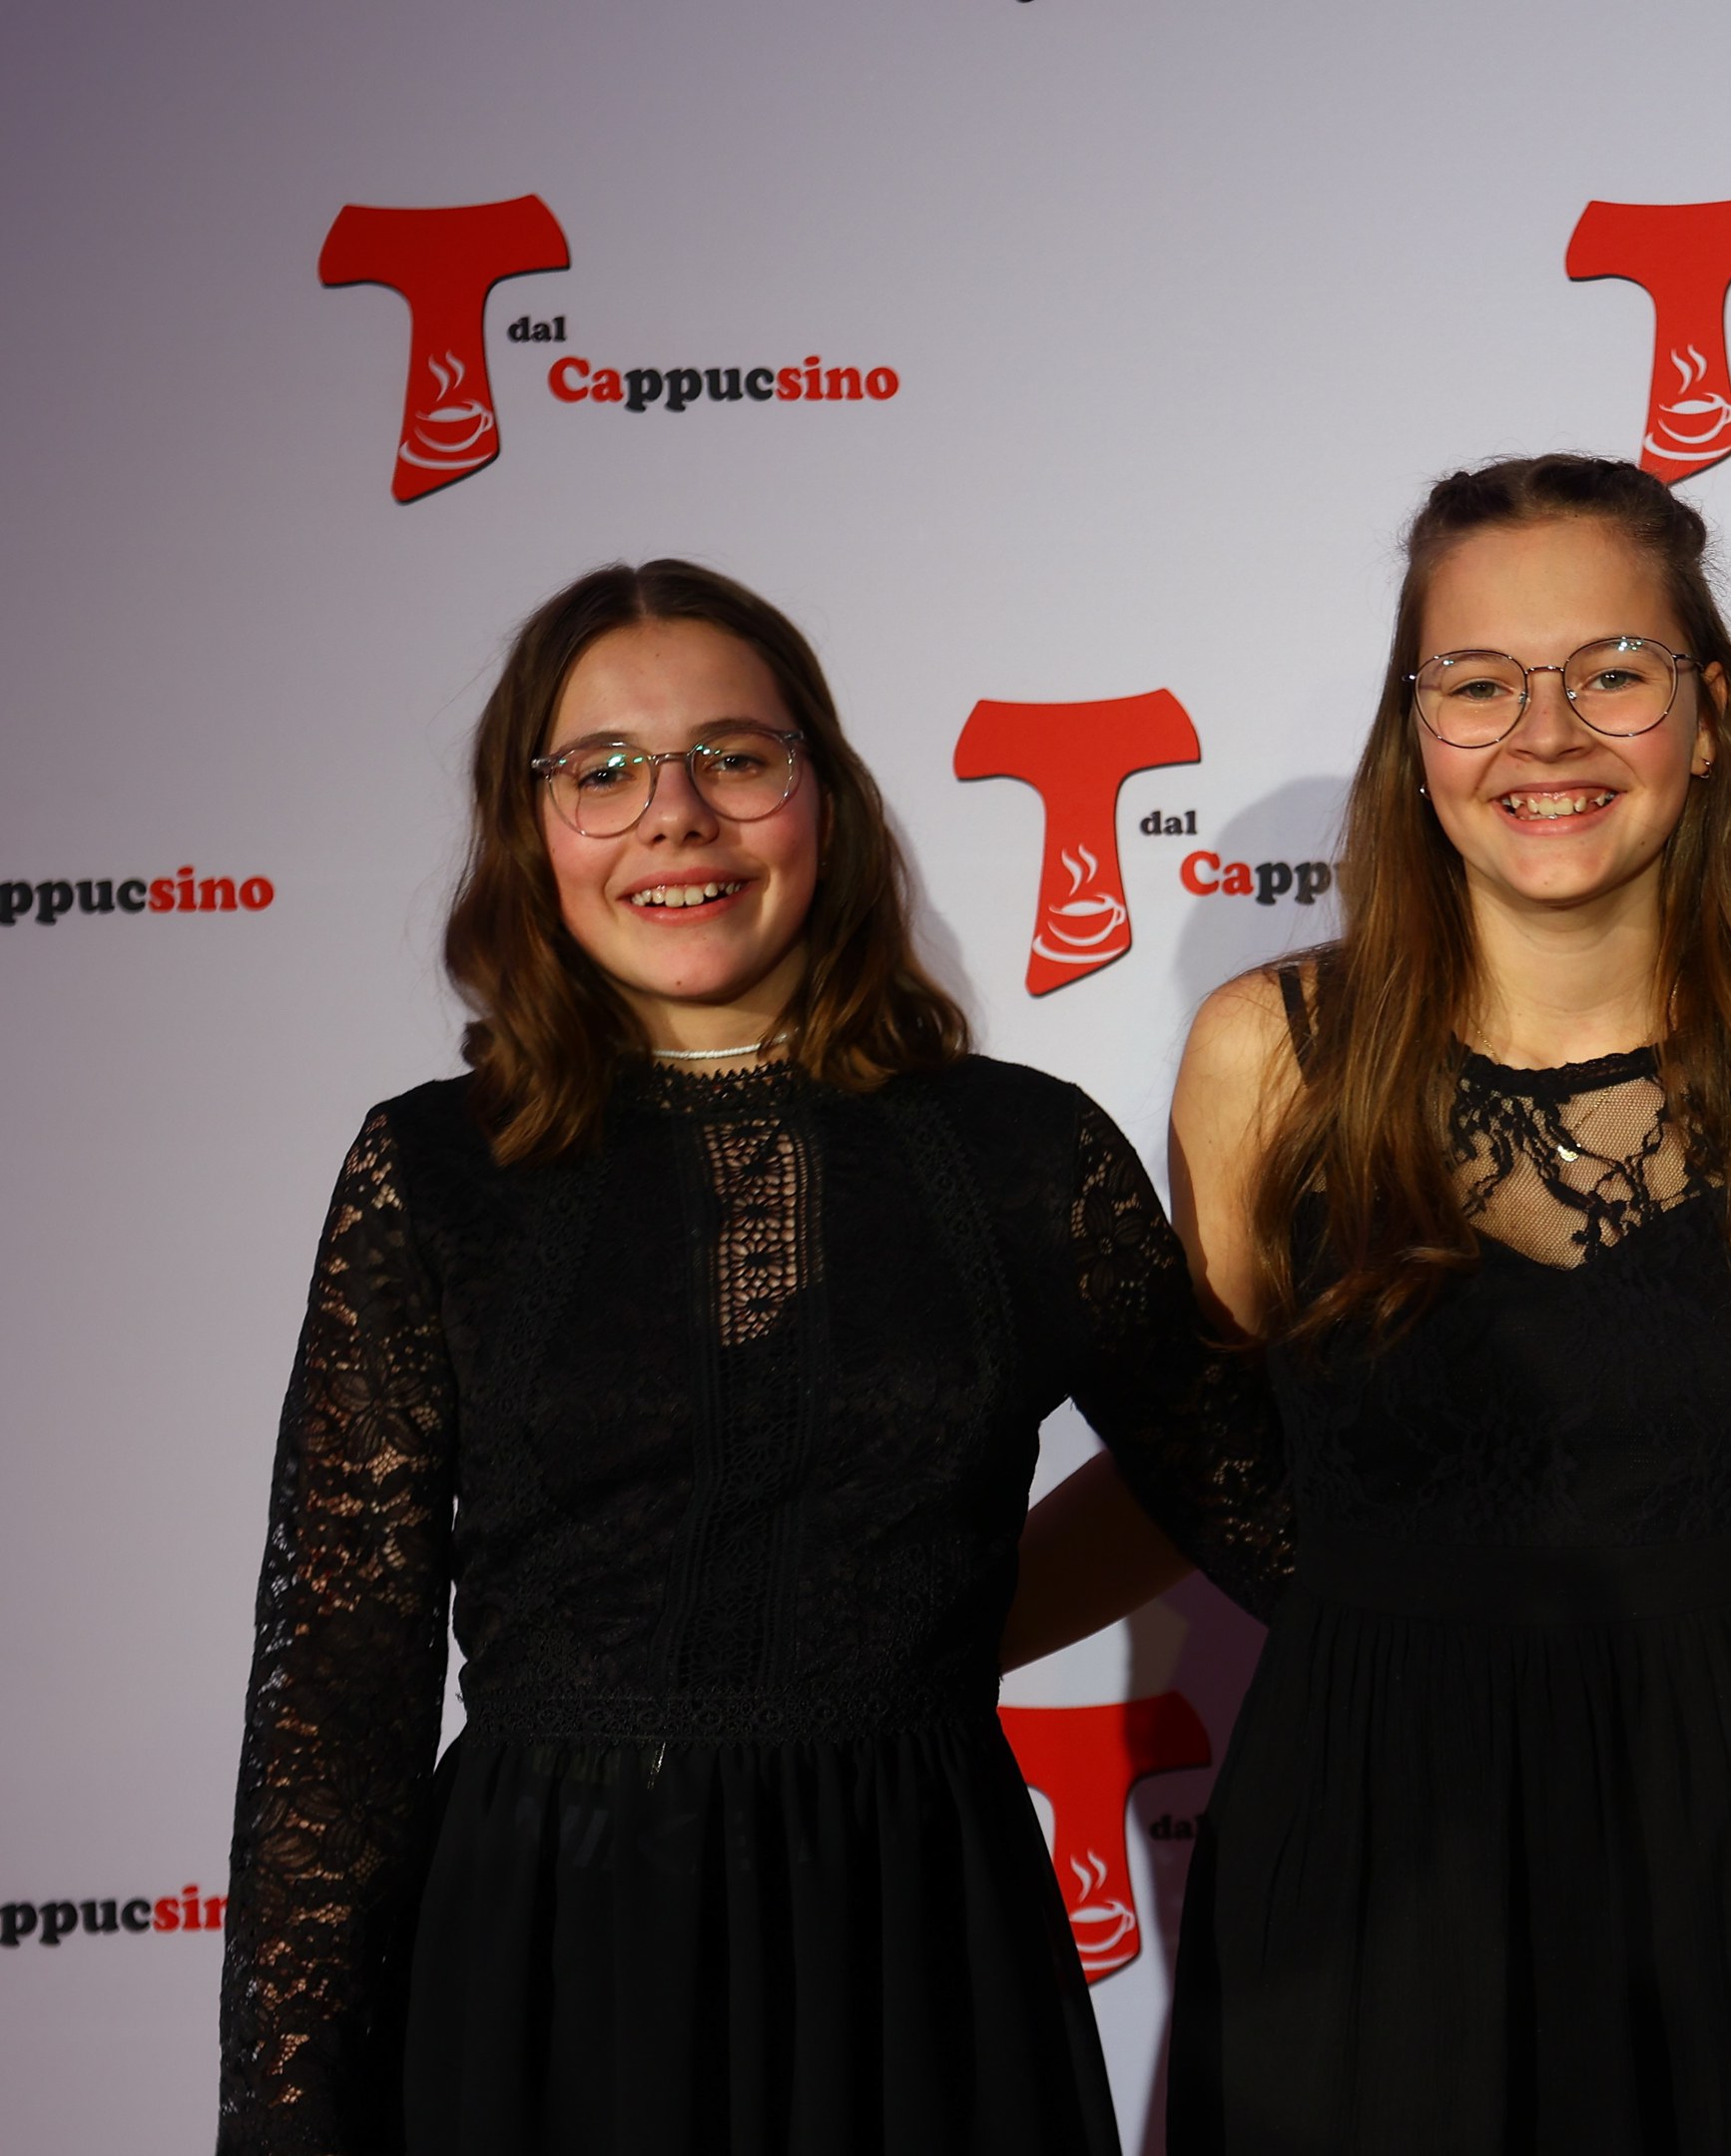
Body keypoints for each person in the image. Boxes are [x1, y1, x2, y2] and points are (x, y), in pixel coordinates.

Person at [218, 560, 1284, 2156]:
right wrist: (288, 2121)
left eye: (735, 756)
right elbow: (336, 1701)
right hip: (548, 1965)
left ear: (824, 801)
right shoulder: (434, 1174)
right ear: (531, 830)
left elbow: (1273, 1508)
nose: (675, 816)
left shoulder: (1022, 1153)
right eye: (603, 771)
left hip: (920, 1950)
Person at [1152, 455, 1731, 2153]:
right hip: (1364, 1878)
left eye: (1613, 673)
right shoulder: (1270, 1057)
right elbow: (1197, 1457)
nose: (1543, 736)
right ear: (1415, 734)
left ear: (1708, 715)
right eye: (1479, 683)